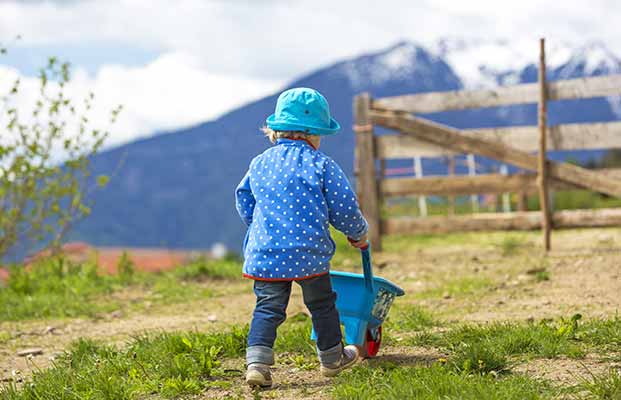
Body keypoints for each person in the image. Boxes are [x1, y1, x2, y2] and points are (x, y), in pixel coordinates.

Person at [235, 87, 369, 387]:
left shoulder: (259, 163)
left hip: (266, 252)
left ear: (277, 130)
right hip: (309, 252)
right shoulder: (323, 165)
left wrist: (259, 228)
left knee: (267, 307)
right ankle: (332, 359)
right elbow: (344, 208)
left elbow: (244, 199)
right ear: (313, 135)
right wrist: (358, 234)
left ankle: (257, 364)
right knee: (322, 304)